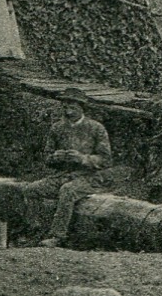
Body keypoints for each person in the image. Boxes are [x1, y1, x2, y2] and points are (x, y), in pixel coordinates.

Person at [21, 102, 131, 247]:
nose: (69, 112)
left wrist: (83, 158)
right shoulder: (57, 128)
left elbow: (106, 160)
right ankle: (34, 229)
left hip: (90, 178)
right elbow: (46, 157)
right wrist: (55, 157)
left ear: (82, 108)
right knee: (30, 189)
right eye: (66, 107)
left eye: (73, 108)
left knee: (68, 190)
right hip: (61, 176)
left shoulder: (96, 128)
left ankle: (57, 236)